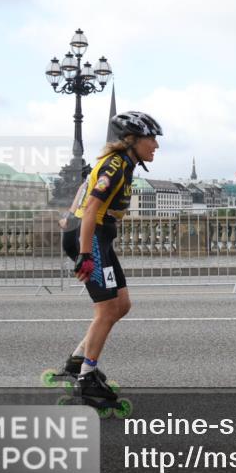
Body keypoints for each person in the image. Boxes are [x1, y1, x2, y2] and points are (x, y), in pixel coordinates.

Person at [51, 111, 162, 413]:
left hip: (96, 236)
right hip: (92, 238)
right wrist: (85, 255)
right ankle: (86, 376)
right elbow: (92, 210)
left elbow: (84, 188)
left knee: (121, 304)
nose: (155, 145)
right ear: (132, 140)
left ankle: (77, 361)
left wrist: (68, 217)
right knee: (107, 309)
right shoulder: (116, 166)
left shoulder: (122, 164)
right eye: (151, 139)